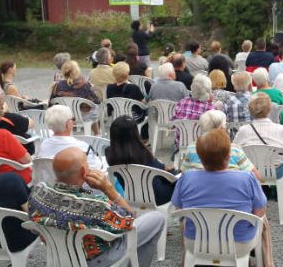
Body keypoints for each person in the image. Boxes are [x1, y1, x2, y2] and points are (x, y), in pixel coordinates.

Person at [29, 147, 165, 267]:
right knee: (157, 219)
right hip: (95, 259)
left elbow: (36, 228)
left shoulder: (37, 192)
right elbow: (130, 220)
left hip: (57, 253)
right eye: (87, 163)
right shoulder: (97, 206)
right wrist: (109, 190)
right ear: (84, 171)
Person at [171, 129, 273, 266]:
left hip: (196, 242)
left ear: (200, 157)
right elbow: (260, 212)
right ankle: (266, 263)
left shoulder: (186, 177)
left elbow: (179, 209)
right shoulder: (247, 178)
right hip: (239, 244)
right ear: (229, 155)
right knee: (262, 220)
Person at [106, 116, 176, 205]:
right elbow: (161, 170)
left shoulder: (109, 153)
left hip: (131, 195)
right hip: (157, 196)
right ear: (135, 133)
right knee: (178, 178)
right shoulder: (142, 152)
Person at [180, 110, 260, 179]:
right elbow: (255, 176)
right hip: (231, 192)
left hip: (199, 192)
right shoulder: (234, 149)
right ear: (222, 128)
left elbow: (184, 172)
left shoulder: (192, 147)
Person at [234, 93, 283, 177]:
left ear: (250, 110)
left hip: (251, 171)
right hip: (275, 171)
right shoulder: (281, 129)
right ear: (269, 109)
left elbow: (235, 149)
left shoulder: (243, 130)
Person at [36, 104, 103, 170]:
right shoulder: (82, 147)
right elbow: (97, 167)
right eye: (73, 119)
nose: (74, 122)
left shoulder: (44, 145)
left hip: (49, 180)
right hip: (75, 180)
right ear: (68, 124)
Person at [0, 82, 36, 154]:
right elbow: (31, 123)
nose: (3, 92)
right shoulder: (10, 120)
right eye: (1, 91)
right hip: (17, 156)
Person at [173, 74, 215, 146]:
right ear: (207, 91)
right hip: (201, 146)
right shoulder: (210, 108)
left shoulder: (182, 102)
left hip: (180, 143)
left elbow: (173, 123)